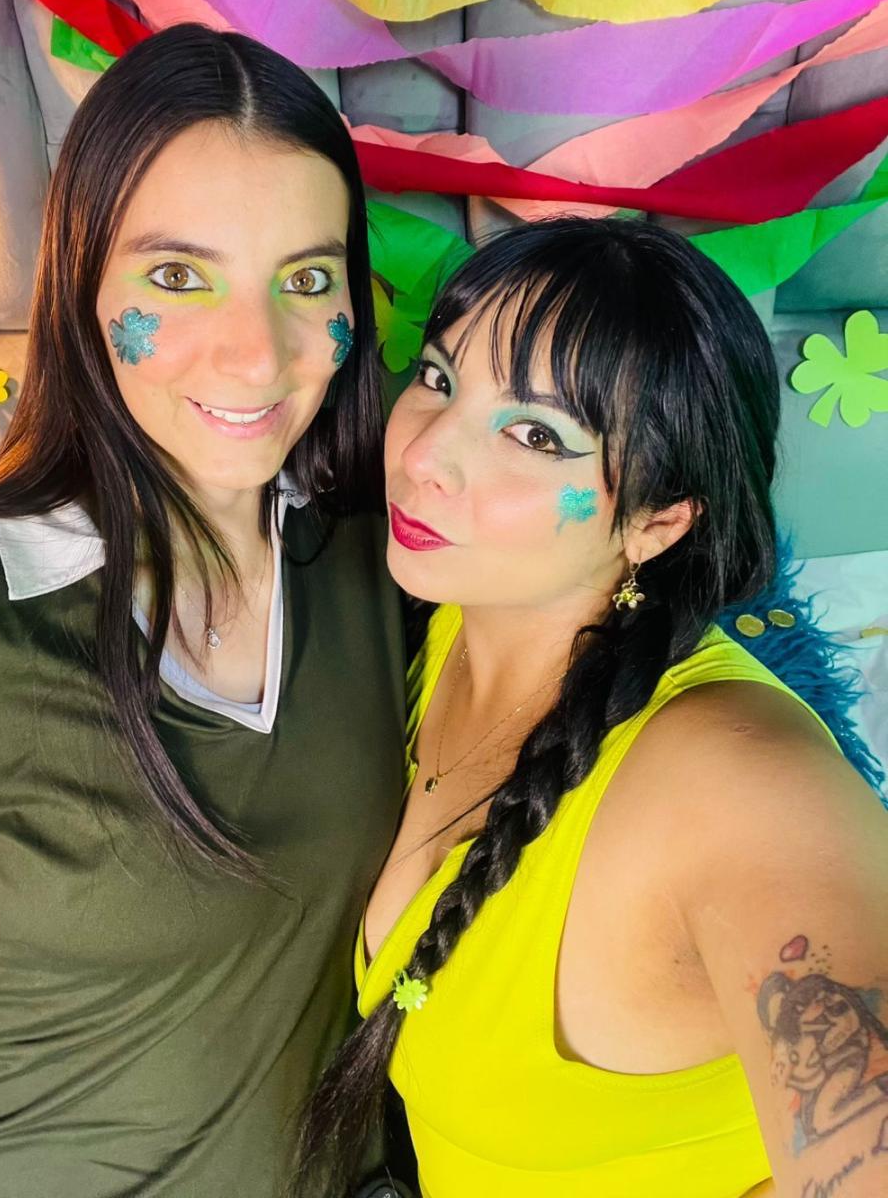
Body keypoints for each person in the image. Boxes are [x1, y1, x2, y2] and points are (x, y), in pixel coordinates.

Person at [0, 25, 409, 1198]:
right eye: (178, 277)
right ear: (82, 285)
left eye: (306, 279)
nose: (256, 357)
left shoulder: (389, 568)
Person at [294, 218, 888, 1198]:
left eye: (534, 435)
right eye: (439, 378)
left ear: (658, 521)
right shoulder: (438, 615)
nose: (427, 452)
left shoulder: (738, 782)